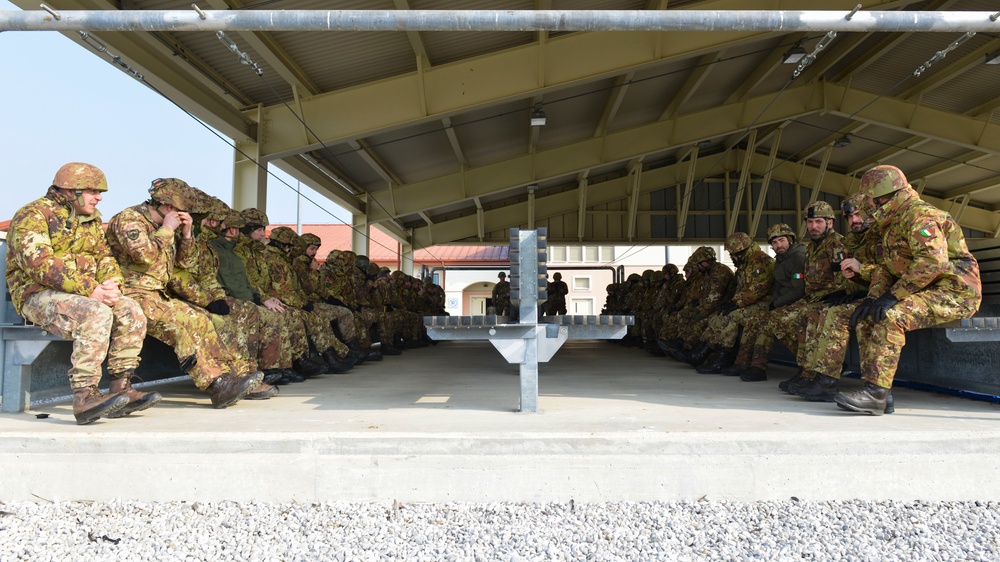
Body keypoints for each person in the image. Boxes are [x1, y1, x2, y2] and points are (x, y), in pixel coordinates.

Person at [6, 162, 156, 424]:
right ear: (69, 191)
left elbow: (104, 256)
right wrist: (91, 290)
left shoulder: (92, 221)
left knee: (130, 309)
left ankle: (121, 388)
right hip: (36, 296)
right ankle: (85, 397)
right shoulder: (33, 215)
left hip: (82, 295)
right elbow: (39, 265)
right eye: (92, 191)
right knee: (95, 313)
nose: (98, 197)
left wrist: (111, 284)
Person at [834, 165, 981, 415]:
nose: (868, 204)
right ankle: (880, 390)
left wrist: (892, 297)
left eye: (869, 198)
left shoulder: (919, 216)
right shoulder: (891, 222)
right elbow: (886, 269)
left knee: (891, 316)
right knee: (870, 314)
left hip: (954, 292)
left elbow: (932, 263)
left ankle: (876, 395)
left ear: (881, 196)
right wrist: (872, 298)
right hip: (923, 290)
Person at [106, 178, 263, 409]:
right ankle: (215, 385)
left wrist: (187, 235)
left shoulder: (171, 228)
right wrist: (168, 228)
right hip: (132, 293)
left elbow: (187, 263)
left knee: (202, 320)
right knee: (180, 329)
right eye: (183, 211)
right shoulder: (130, 219)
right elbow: (144, 256)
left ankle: (226, 378)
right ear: (169, 207)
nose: (186, 216)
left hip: (157, 295)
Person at [790, 193, 879, 402]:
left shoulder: (846, 242)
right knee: (812, 314)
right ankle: (813, 373)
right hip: (856, 294)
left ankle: (828, 379)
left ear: (830, 222)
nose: (854, 220)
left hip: (878, 296)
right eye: (850, 217)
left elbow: (889, 270)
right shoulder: (851, 240)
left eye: (859, 215)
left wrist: (852, 290)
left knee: (828, 314)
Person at [690, 232, 775, 373]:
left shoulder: (761, 261)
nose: (733, 257)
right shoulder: (746, 263)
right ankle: (705, 350)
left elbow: (760, 288)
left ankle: (723, 357)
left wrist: (737, 303)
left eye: (734, 254)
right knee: (719, 315)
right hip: (750, 303)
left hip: (763, 303)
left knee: (731, 316)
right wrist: (733, 302)